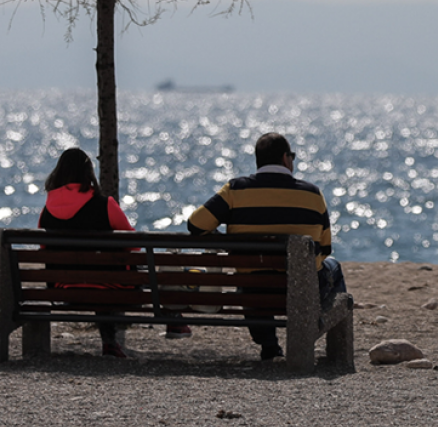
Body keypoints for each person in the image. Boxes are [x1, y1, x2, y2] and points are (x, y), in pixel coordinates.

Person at [186, 132, 347, 361]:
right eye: (292, 156)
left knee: (251, 283)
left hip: (254, 291)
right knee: (333, 267)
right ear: (285, 158)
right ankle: (318, 327)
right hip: (298, 290)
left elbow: (195, 225)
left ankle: (269, 345)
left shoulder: (235, 190)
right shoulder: (312, 194)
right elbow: (325, 248)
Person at [38, 148, 190, 356]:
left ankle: (113, 342)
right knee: (148, 272)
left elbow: (43, 250)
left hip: (63, 286)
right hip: (112, 285)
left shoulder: (47, 210)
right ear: (88, 173)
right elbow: (134, 246)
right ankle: (173, 319)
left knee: (96, 277)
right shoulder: (105, 205)